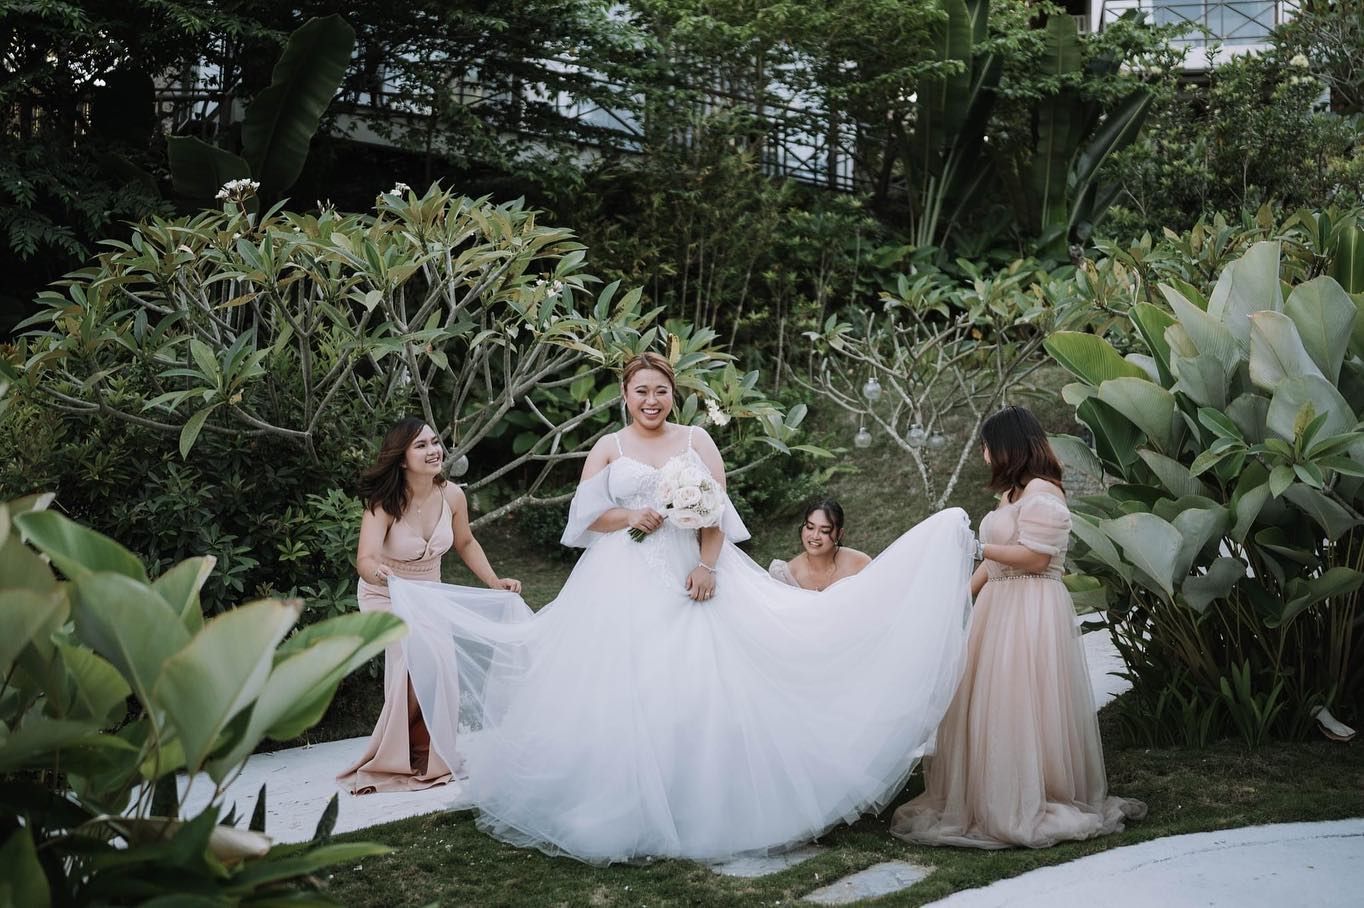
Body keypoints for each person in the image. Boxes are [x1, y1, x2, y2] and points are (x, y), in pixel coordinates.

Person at [388, 352, 978, 864]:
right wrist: (629, 516)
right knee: (624, 689)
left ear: (675, 395)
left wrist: (706, 566)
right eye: (641, 391)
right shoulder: (608, 446)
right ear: (625, 396)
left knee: (703, 686)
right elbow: (583, 516)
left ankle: (705, 801)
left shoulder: (697, 441)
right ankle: (622, 802)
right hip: (620, 578)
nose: (651, 400)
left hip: (692, 575)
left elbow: (716, 513)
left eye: (661, 391)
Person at [890, 405, 1146, 849]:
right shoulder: (1011, 496)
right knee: (989, 699)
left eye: (988, 446)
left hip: (1031, 606)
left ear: (1008, 446)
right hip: (998, 604)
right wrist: (960, 598)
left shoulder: (1044, 492)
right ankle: (990, 793)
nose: (985, 455)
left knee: (1020, 698)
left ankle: (1028, 794)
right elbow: (994, 561)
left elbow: (1036, 556)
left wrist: (976, 544)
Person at [338, 417, 525, 795]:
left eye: (435, 442)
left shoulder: (452, 496)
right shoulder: (384, 503)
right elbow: (366, 559)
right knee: (413, 656)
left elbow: (466, 543)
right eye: (421, 445)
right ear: (402, 458)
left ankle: (431, 753)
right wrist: (381, 575)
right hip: (384, 595)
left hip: (429, 594)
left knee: (440, 663)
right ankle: (394, 756)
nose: (433, 450)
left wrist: (494, 582)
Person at [769, 498, 872, 591]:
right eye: (810, 527)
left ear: (839, 534)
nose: (815, 536)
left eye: (825, 531)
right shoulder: (786, 576)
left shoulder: (860, 563)